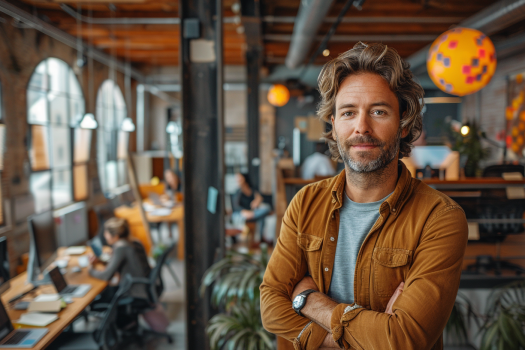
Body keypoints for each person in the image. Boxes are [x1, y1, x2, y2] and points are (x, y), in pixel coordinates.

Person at [260, 42, 468, 350]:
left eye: (379, 111)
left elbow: (402, 339)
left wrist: (309, 301)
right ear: (334, 123)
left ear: (402, 122)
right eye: (348, 112)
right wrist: (366, 334)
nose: (362, 127)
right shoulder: (306, 203)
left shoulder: (440, 219)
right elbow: (271, 307)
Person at [89, 218, 152, 299]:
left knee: (98, 296)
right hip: (144, 286)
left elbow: (105, 276)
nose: (104, 235)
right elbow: (119, 262)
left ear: (116, 236)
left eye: (106, 232)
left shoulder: (121, 247)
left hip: (133, 291)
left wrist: (90, 269)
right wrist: (100, 260)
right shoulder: (134, 241)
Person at [232, 173, 271, 241]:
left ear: (244, 178)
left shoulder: (253, 189)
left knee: (267, 208)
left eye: (239, 178)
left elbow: (260, 198)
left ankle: (260, 240)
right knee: (262, 216)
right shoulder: (238, 192)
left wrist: (257, 201)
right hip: (241, 214)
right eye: (237, 178)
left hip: (253, 213)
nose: (237, 180)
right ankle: (260, 239)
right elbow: (236, 207)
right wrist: (244, 212)